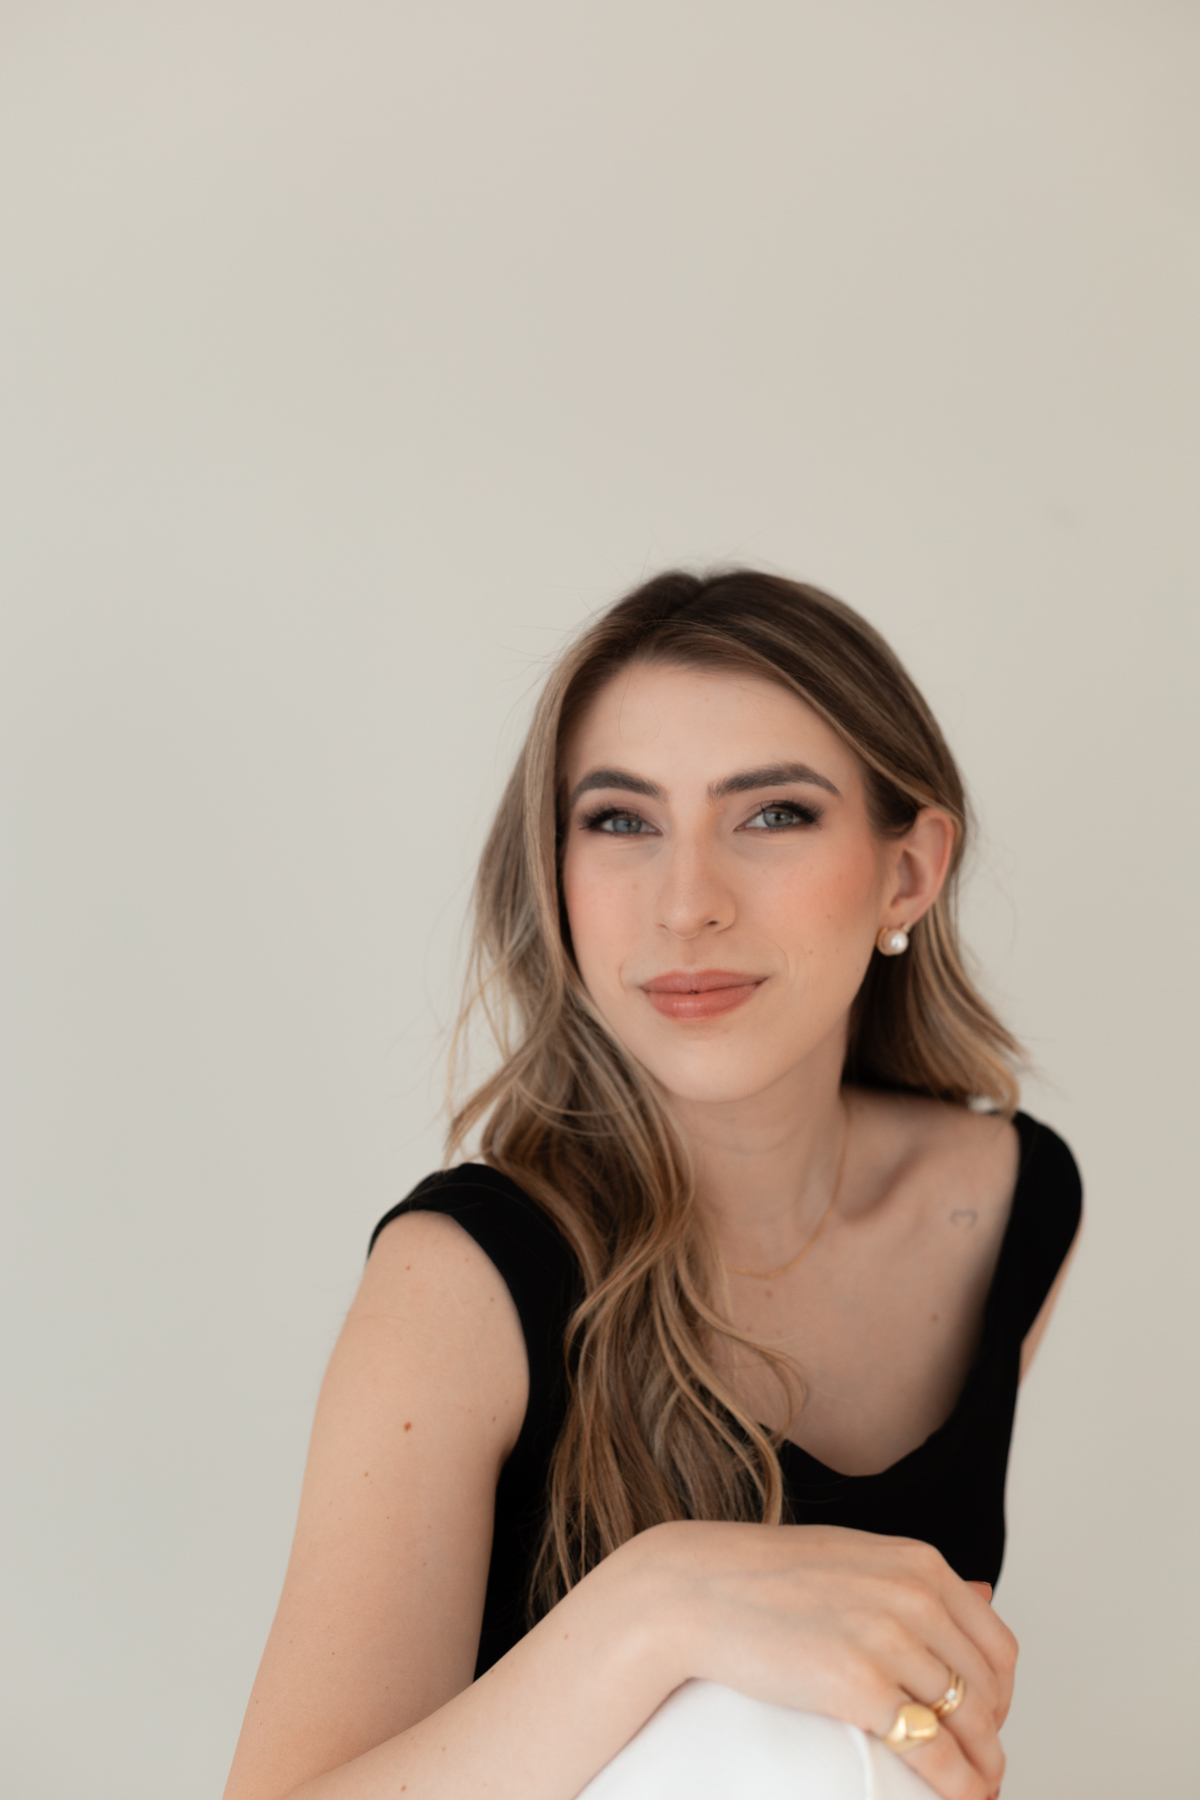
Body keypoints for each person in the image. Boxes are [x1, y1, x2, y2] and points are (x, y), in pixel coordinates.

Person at [222, 569, 1082, 1800]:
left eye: (773, 814)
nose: (686, 906)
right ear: (556, 874)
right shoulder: (462, 1282)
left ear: (907, 873)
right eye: (621, 821)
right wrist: (656, 1605)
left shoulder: (1008, 1203)